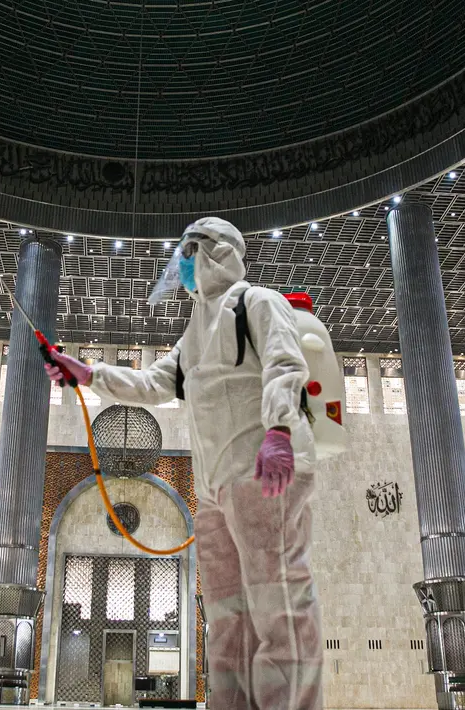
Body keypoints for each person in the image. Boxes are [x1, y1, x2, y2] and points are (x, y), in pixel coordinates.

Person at [45, 217, 322, 709]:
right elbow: (152, 384)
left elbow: (285, 363)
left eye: (188, 253)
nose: (183, 266)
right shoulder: (194, 332)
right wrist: (86, 372)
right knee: (227, 614)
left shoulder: (257, 302)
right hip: (216, 489)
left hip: (264, 469)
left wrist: (279, 429)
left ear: (212, 252)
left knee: (278, 603)